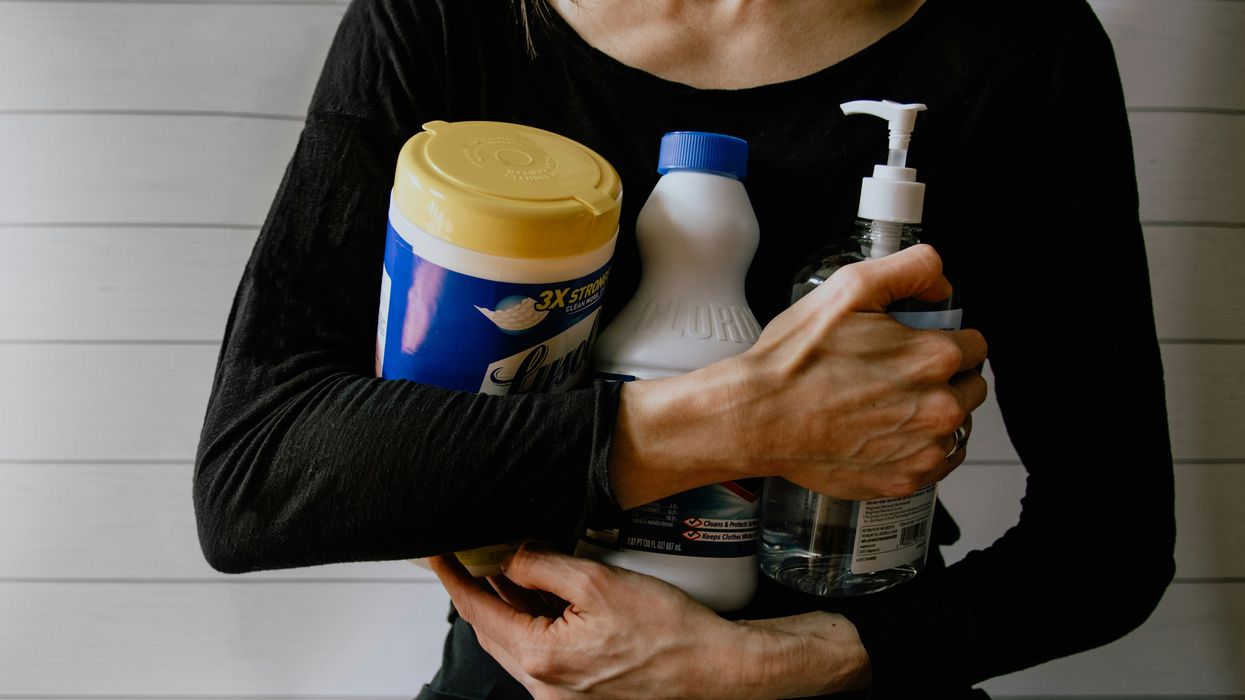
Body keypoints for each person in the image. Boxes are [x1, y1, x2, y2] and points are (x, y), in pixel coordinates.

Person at [192, 0, 1176, 698]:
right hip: (541, 677)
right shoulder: (458, 19)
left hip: (862, 654)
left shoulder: (1017, 41)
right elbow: (260, 475)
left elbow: (1111, 546)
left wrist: (774, 665)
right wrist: (741, 422)